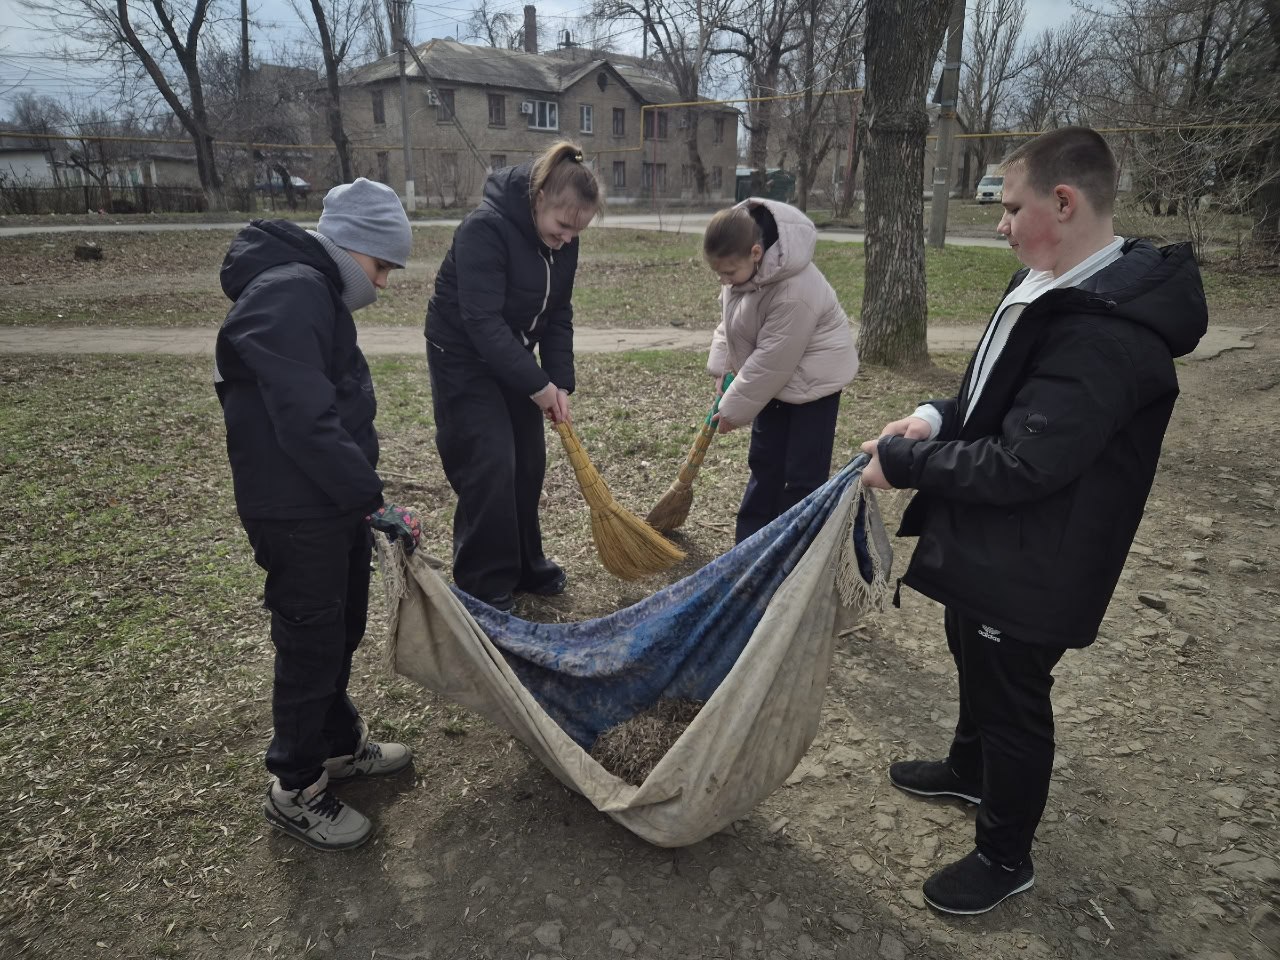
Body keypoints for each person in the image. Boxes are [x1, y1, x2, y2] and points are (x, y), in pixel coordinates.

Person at [859, 127, 1208, 914]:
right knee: (968, 645)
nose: (1000, 223)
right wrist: (931, 418)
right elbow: (997, 397)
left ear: (1064, 201)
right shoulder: (1053, 284)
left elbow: (1025, 462)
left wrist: (905, 468)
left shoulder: (1106, 334)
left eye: (1011, 208)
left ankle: (1004, 855)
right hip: (1000, 545)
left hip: (1041, 558)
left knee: (1012, 692)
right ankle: (968, 770)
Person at [215, 178, 424, 851]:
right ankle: (296, 785)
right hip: (294, 507)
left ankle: (336, 743)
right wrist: (372, 500)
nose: (384, 283)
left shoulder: (313, 290)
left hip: (327, 500)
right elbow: (305, 420)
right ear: (353, 245)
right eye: (382, 266)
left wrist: (360, 499)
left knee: (341, 626)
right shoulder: (289, 290)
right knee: (310, 640)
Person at [424, 141, 603, 611]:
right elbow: (481, 322)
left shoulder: (564, 242)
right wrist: (538, 386)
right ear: (540, 196)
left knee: (527, 462)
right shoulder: (485, 230)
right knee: (491, 462)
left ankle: (525, 565)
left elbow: (558, 312)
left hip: (513, 357)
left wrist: (559, 381)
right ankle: (483, 581)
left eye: (577, 230)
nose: (567, 238)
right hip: (464, 357)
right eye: (563, 226)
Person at [703, 198, 859, 543]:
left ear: (756, 253)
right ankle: (750, 545)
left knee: (802, 475)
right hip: (776, 384)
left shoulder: (794, 291)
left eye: (727, 272)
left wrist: (731, 410)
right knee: (764, 461)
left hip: (813, 386)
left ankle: (793, 549)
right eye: (719, 273)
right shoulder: (742, 273)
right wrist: (721, 368)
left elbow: (772, 362)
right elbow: (728, 323)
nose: (723, 280)